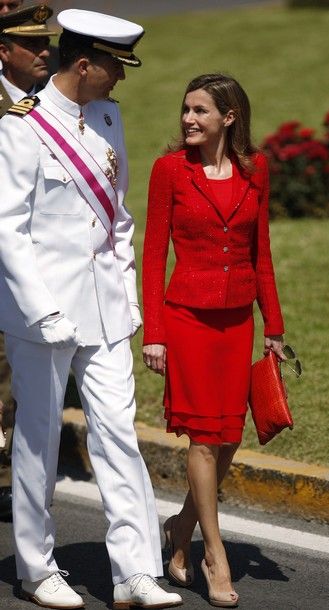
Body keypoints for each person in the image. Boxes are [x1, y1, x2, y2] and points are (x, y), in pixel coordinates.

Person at [0, 8, 183, 610]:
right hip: (43, 313)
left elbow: (118, 222)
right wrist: (41, 310)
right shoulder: (21, 127)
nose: (121, 79)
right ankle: (35, 565)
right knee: (38, 436)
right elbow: (9, 230)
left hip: (104, 311)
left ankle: (135, 571)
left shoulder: (107, 118)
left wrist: (126, 299)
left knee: (118, 437)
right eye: (114, 67)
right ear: (84, 64)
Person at [142, 73, 286, 608]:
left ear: (229, 117)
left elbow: (261, 253)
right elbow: (153, 255)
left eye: (200, 111)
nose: (188, 120)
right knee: (203, 438)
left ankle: (180, 527)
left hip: (237, 324)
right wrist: (153, 334)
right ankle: (213, 553)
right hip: (188, 322)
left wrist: (274, 326)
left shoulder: (257, 169)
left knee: (228, 437)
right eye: (185, 110)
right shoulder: (169, 171)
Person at [0, 1, 55, 522]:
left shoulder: (54, 97)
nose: (44, 51)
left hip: (36, 260)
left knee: (19, 377)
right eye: (32, 44)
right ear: (3, 51)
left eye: (46, 43)